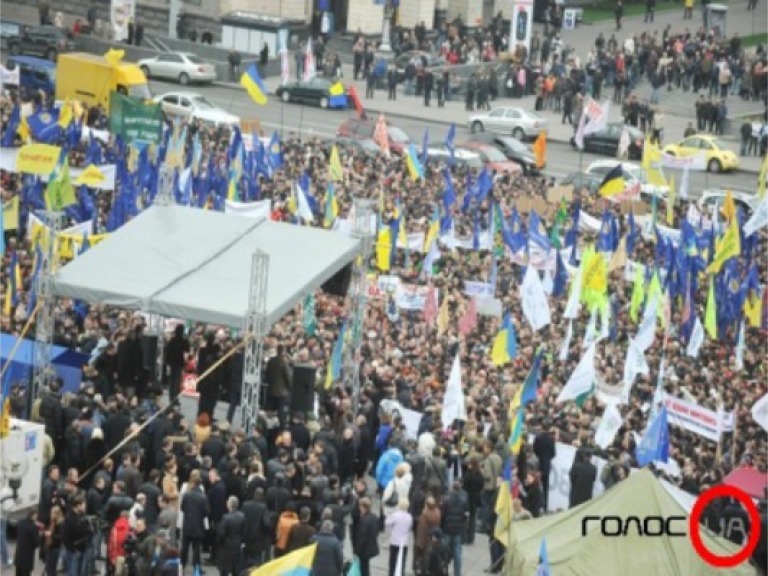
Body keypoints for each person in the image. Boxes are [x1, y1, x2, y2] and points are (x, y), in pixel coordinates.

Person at [180, 474, 209, 571]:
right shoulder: (203, 497)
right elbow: (206, 512)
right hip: (198, 526)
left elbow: (182, 508)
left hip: (187, 525)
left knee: (184, 548)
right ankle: (196, 570)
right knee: (196, 550)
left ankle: (181, 567)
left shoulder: (187, 495)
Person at [441, 481, 468, 576]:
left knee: (444, 551)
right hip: (458, 529)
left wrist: (442, 525)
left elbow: (443, 515)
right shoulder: (463, 500)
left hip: (447, 528)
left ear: (452, 488)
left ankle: (444, 570)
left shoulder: (446, 500)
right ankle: (457, 573)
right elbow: (465, 516)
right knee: (457, 551)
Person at [217, 496, 245, 576]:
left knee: (224, 569)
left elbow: (221, 534)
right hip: (237, 544)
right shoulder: (242, 516)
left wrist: (219, 543)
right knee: (236, 568)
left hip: (226, 547)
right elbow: (244, 531)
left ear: (229, 505)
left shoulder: (225, 518)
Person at [385, 499, 413, 576]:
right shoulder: (409, 517)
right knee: (402, 560)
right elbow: (410, 527)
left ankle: (391, 573)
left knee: (392, 560)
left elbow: (387, 522)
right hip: (404, 542)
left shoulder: (395, 515)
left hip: (394, 540)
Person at [353, 497, 380, 576]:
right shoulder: (374, 517)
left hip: (364, 549)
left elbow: (361, 538)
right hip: (371, 546)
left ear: (363, 507)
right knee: (366, 566)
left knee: (364, 569)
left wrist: (356, 551)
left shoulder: (364, 520)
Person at [164, 324, 190, 402]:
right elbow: (187, 349)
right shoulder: (182, 340)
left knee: (172, 381)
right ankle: (174, 398)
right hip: (178, 362)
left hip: (172, 362)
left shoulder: (172, 340)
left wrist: (167, 361)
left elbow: (167, 351)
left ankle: (171, 397)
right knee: (177, 381)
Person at [533, 427, 556, 512]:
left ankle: (536, 506)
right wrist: (547, 459)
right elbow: (553, 453)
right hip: (546, 466)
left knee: (535, 486)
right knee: (545, 488)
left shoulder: (538, 437)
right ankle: (545, 507)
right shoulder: (551, 439)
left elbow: (534, 450)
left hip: (538, 465)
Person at [265, 345, 292, 421]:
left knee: (269, 410)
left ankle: (267, 427)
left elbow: (267, 373)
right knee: (280, 411)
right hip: (281, 392)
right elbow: (287, 377)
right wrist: (290, 387)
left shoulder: (271, 361)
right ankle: (281, 428)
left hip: (271, 389)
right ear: (283, 352)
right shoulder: (284, 362)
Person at [14, 509, 40, 576]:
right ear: (33, 515)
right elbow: (37, 543)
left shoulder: (21, 523)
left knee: (18, 573)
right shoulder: (32, 527)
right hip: (27, 558)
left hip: (19, 556)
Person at [43, 505, 64, 576]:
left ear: (57, 514)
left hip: (55, 548)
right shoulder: (53, 522)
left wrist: (51, 535)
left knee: (52, 568)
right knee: (49, 567)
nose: (51, 515)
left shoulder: (60, 524)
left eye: (52, 513)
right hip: (50, 546)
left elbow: (60, 537)